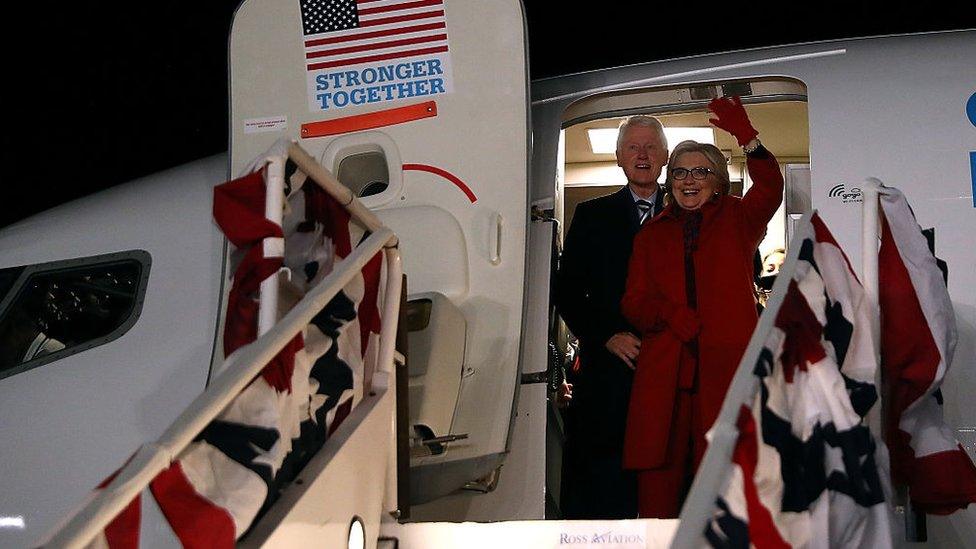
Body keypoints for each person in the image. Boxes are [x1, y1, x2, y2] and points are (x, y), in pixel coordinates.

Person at [620, 96, 784, 518]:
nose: (688, 180)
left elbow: (770, 189)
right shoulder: (650, 236)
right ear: (669, 180)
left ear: (718, 181)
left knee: (730, 481)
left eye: (700, 172)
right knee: (658, 489)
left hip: (726, 369)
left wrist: (747, 137)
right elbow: (633, 303)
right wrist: (671, 315)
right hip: (666, 375)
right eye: (679, 172)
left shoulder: (737, 218)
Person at [554, 115, 668, 519]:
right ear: (619, 157)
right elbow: (565, 292)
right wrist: (607, 335)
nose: (642, 155)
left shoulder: (690, 211)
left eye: (651, 147)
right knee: (604, 490)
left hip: (671, 371)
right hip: (608, 376)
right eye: (633, 147)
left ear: (665, 156)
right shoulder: (591, 215)